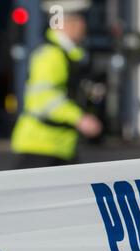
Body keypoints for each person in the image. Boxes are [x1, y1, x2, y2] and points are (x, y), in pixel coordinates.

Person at [12, 0, 103, 169]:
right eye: (79, 19)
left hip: (60, 146)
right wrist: (80, 118)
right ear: (65, 23)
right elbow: (44, 99)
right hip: (40, 146)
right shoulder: (50, 56)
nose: (84, 25)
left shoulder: (71, 55)